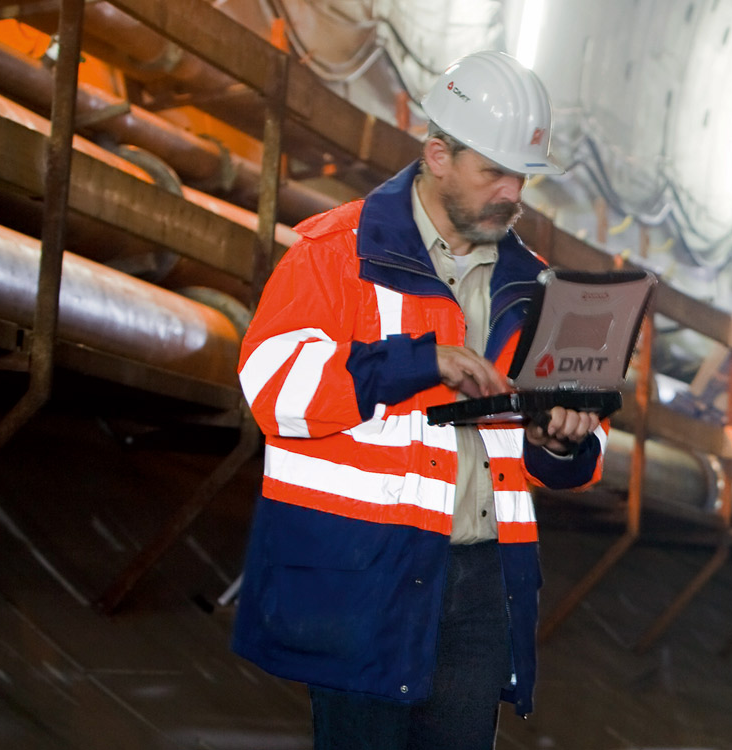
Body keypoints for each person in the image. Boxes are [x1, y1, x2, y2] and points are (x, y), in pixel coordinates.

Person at [230, 50, 604, 749]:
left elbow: (575, 454)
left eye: (521, 175)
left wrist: (563, 437)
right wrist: (418, 361)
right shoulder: (335, 251)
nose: (511, 192)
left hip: (481, 580)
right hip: (363, 572)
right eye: (492, 171)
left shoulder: (532, 283)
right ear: (437, 154)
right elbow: (275, 389)